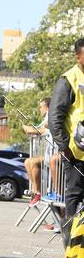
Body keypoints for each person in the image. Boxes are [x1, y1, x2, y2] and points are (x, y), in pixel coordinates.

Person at [48, 38, 84, 237]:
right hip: (75, 151)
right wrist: (64, 145)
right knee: (74, 195)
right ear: (78, 56)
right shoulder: (68, 79)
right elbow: (55, 116)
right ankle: (70, 241)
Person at [23, 98, 51, 205]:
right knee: (27, 162)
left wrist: (29, 129)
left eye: (41, 107)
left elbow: (42, 129)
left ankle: (38, 192)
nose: (40, 109)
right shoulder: (47, 118)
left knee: (33, 162)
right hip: (49, 153)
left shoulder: (51, 116)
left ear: (47, 108)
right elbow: (39, 128)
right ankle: (35, 191)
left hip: (55, 154)